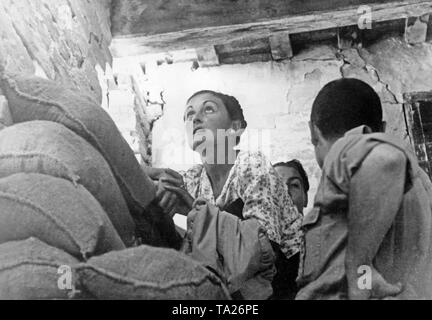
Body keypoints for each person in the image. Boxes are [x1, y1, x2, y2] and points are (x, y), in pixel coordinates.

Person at [156, 90, 303, 299]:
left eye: (208, 109)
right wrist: (162, 186)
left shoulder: (251, 164)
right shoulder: (195, 177)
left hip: (285, 283)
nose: (195, 118)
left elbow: (262, 252)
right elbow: (150, 186)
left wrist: (195, 210)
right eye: (189, 115)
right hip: (238, 287)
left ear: (234, 128)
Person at [296, 78, 432, 300]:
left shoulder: (348, 157)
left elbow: (382, 161)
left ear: (313, 131)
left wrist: (359, 263)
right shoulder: (421, 183)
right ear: (383, 128)